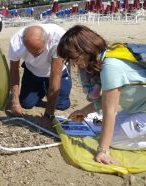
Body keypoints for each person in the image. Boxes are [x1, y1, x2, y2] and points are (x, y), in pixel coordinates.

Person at [57, 25, 146, 164]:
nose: (74, 64)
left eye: (73, 58)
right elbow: (106, 101)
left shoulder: (110, 67)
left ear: (84, 50)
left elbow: (110, 110)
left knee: (113, 139)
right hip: (139, 108)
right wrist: (84, 111)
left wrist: (103, 151)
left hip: (142, 110)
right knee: (107, 130)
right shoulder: (108, 55)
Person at [7, 24, 72, 125]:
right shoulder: (16, 42)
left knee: (62, 105)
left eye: (38, 52)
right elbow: (14, 71)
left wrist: (48, 115)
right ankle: (42, 89)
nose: (34, 55)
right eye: (30, 51)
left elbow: (55, 75)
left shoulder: (59, 38)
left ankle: (46, 89)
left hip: (56, 70)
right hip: (33, 70)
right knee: (26, 104)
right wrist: (15, 102)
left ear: (47, 40)